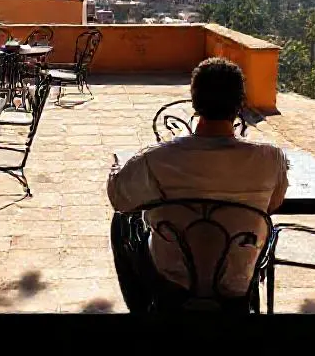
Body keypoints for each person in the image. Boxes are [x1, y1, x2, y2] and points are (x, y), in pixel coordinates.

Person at [107, 57, 289, 312]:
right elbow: (273, 204)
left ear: (194, 102)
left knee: (122, 223)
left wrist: (116, 168)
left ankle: (144, 307)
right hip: (236, 280)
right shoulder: (271, 158)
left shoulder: (157, 158)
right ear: (239, 104)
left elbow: (120, 199)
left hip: (172, 280)